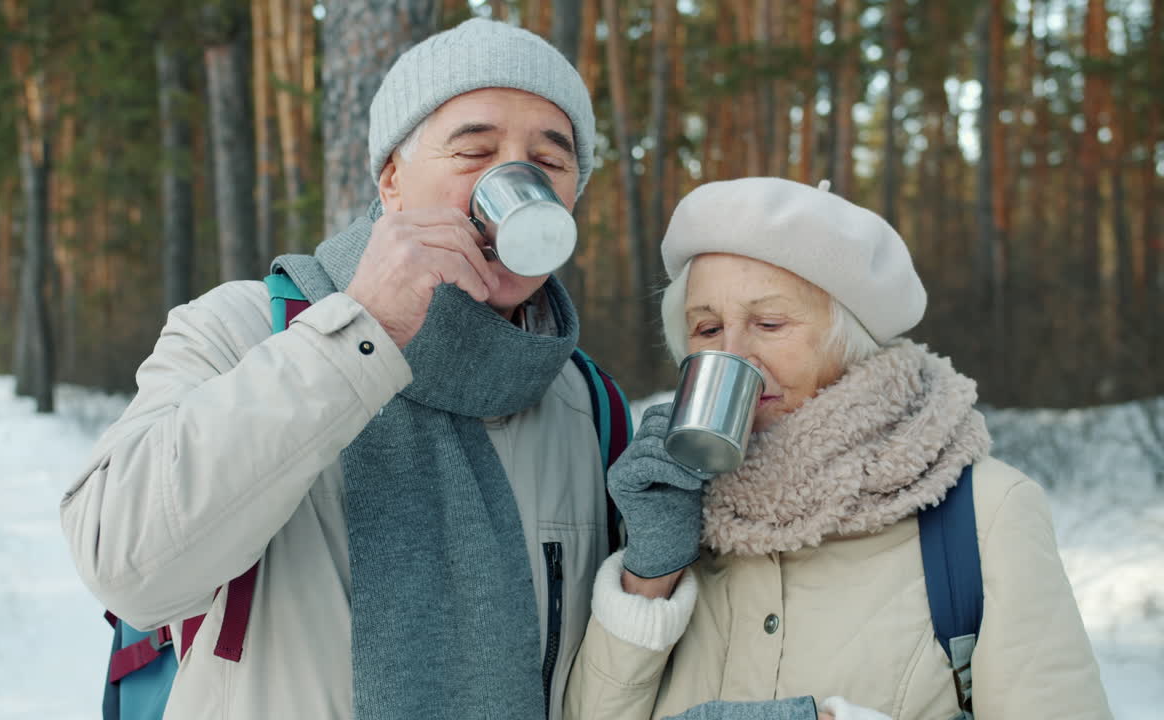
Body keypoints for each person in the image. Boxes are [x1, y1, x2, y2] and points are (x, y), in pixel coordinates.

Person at [62, 18, 613, 720]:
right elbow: (124, 565)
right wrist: (360, 333)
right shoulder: (242, 330)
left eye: (552, 162)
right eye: (475, 150)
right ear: (392, 182)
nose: (517, 180)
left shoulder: (585, 406)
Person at [564, 178, 1113, 720]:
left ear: (850, 338)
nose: (733, 355)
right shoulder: (666, 506)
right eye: (707, 328)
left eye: (770, 323)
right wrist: (650, 574)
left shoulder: (985, 513)